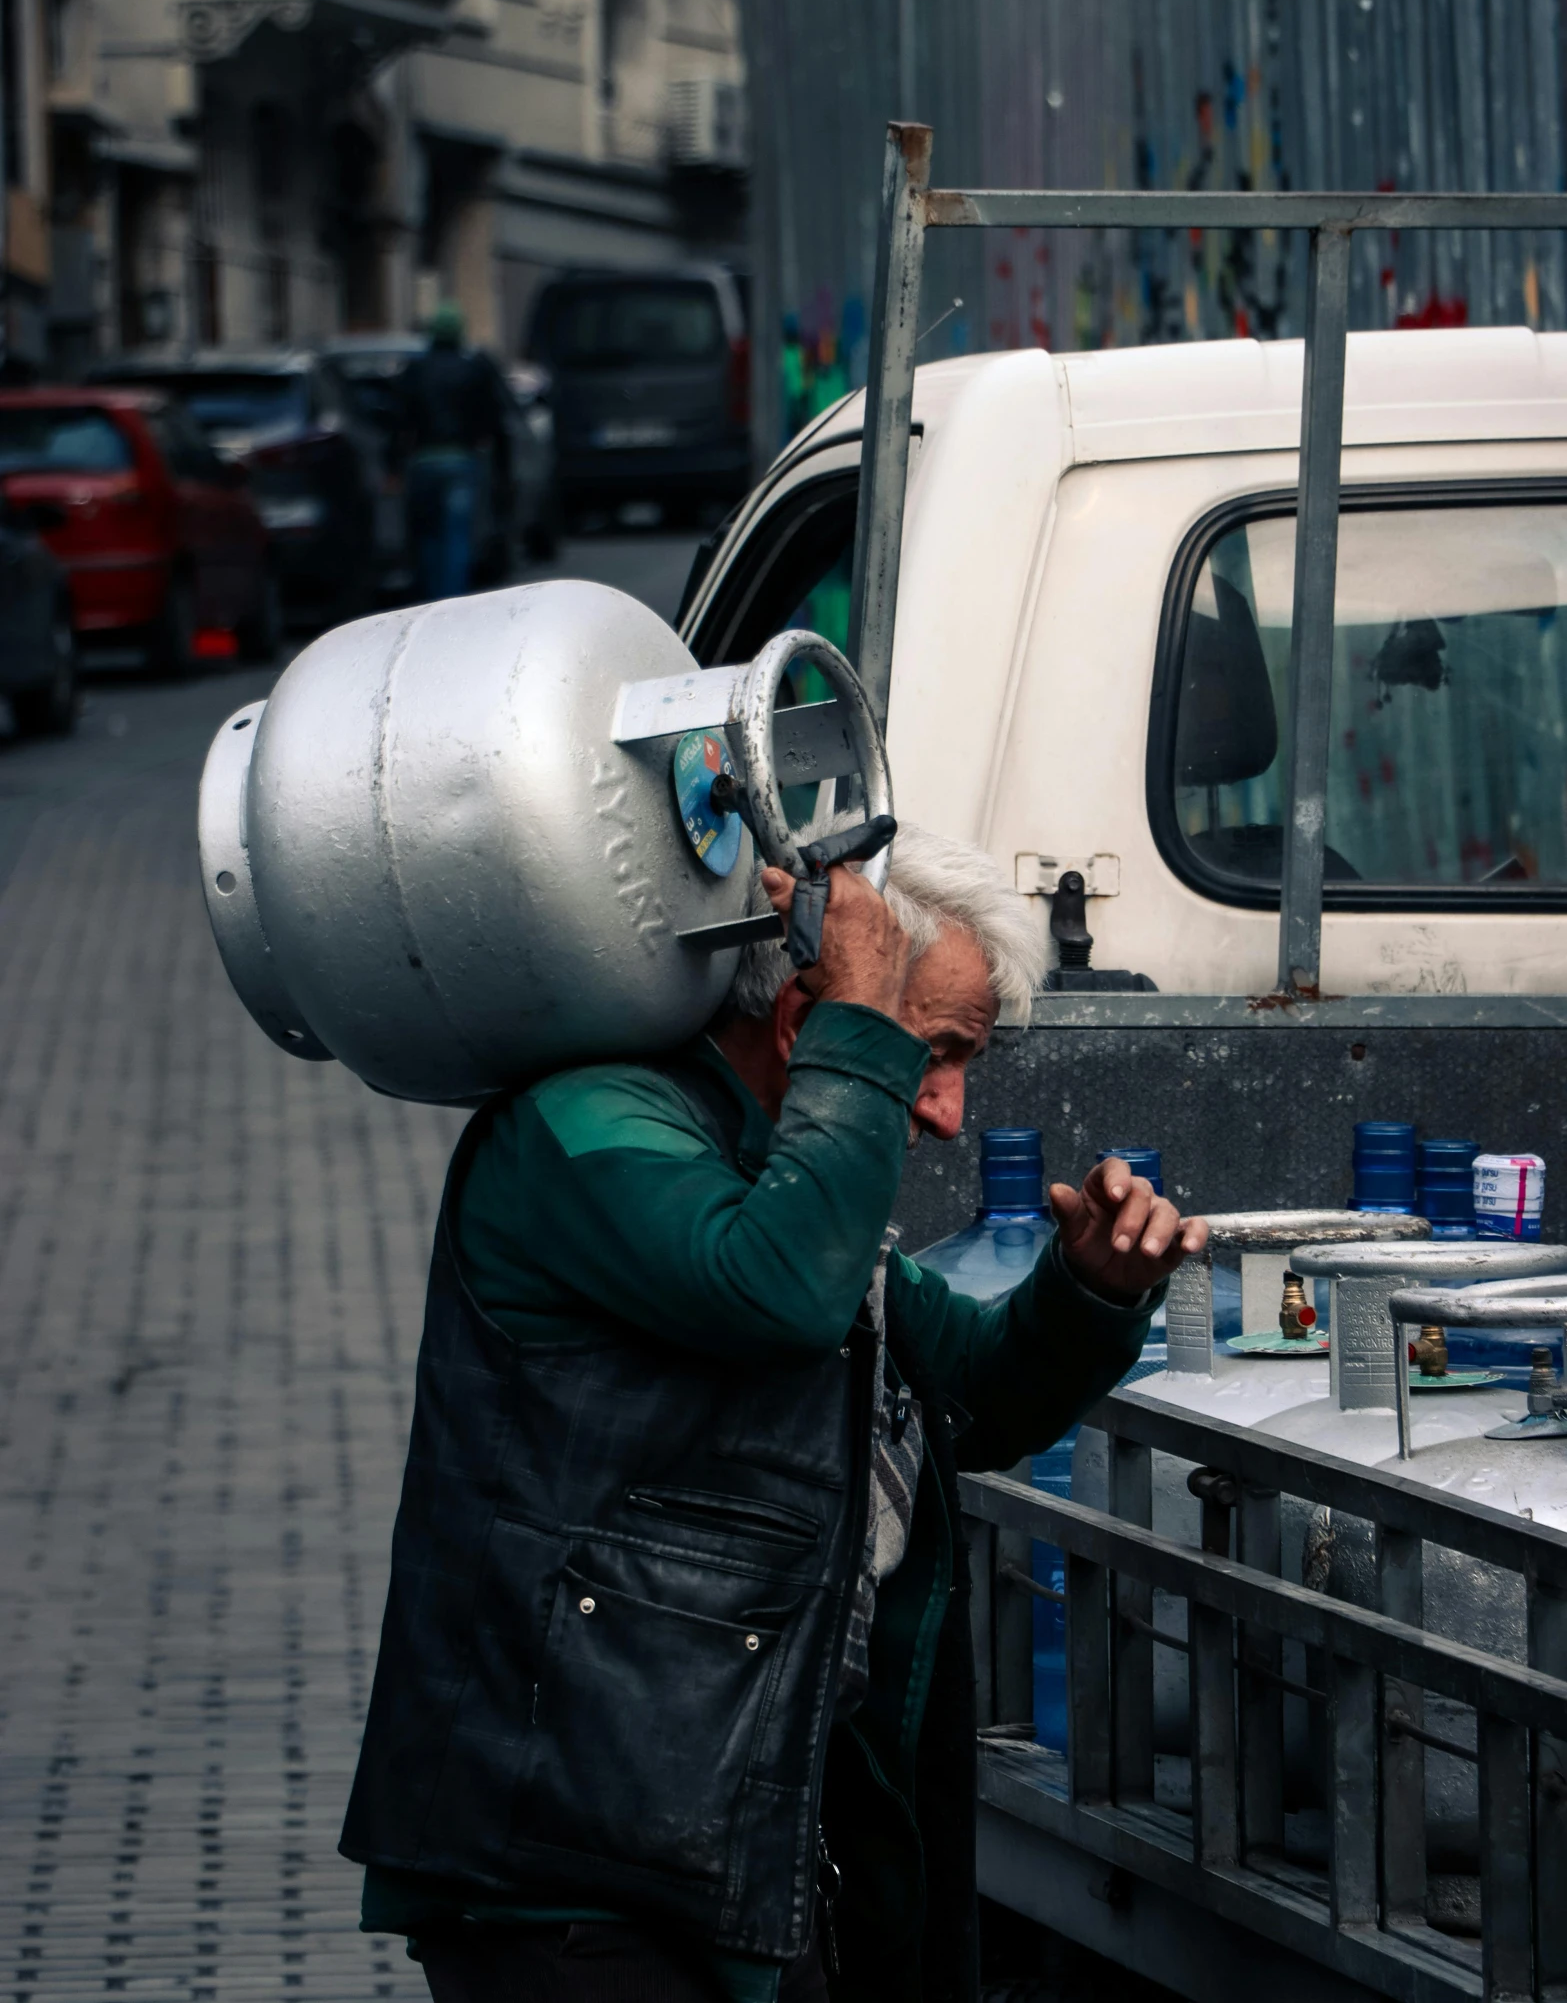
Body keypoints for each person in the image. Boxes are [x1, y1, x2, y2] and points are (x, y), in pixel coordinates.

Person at [341, 822, 1207, 2003]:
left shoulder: (786, 1179)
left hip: (726, 1840)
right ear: (810, 1025)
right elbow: (774, 1292)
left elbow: (968, 1391)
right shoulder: (585, 1132)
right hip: (565, 1866)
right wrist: (859, 1033)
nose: (949, 1111)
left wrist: (1090, 1291)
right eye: (936, 1054)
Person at [396, 301, 511, 600]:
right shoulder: (473, 370)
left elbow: (398, 419)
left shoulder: (415, 371)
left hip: (423, 462)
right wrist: (501, 465)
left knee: (428, 537)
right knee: (456, 537)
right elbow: (495, 419)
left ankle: (431, 599)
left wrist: (392, 464)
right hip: (461, 461)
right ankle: (452, 600)